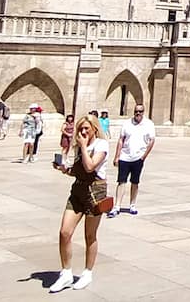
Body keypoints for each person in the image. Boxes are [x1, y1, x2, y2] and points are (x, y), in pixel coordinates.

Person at [49, 115, 110, 292]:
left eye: (86, 129)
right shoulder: (79, 146)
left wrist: (83, 147)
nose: (83, 132)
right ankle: (66, 272)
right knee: (64, 232)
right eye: (81, 129)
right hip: (78, 190)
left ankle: (87, 273)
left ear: (94, 129)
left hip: (95, 192)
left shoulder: (101, 145)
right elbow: (78, 171)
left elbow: (90, 167)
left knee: (90, 235)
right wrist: (64, 169)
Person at [112, 103, 156, 215]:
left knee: (135, 182)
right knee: (121, 181)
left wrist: (143, 157)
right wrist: (117, 156)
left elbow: (152, 141)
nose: (138, 113)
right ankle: (117, 206)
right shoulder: (127, 123)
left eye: (140, 111)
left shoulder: (149, 124)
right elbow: (121, 140)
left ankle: (132, 205)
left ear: (143, 112)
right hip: (125, 156)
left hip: (138, 157)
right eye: (136, 111)